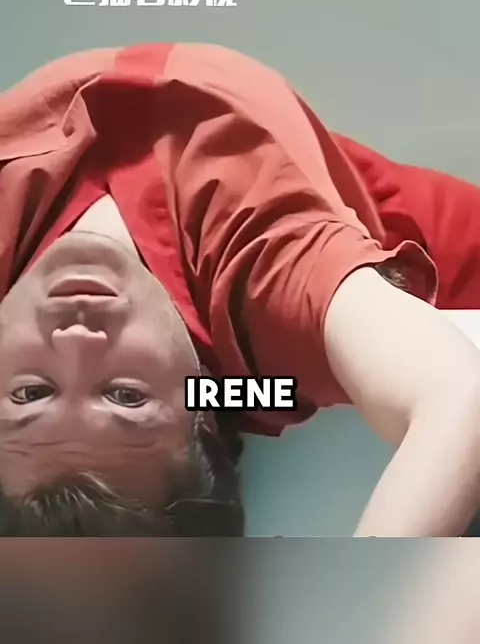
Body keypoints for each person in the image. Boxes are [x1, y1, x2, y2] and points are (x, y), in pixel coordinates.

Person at [2, 41, 480, 537]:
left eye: (31, 393)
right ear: (207, 402)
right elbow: (458, 395)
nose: (76, 340)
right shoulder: (260, 273)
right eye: (125, 396)